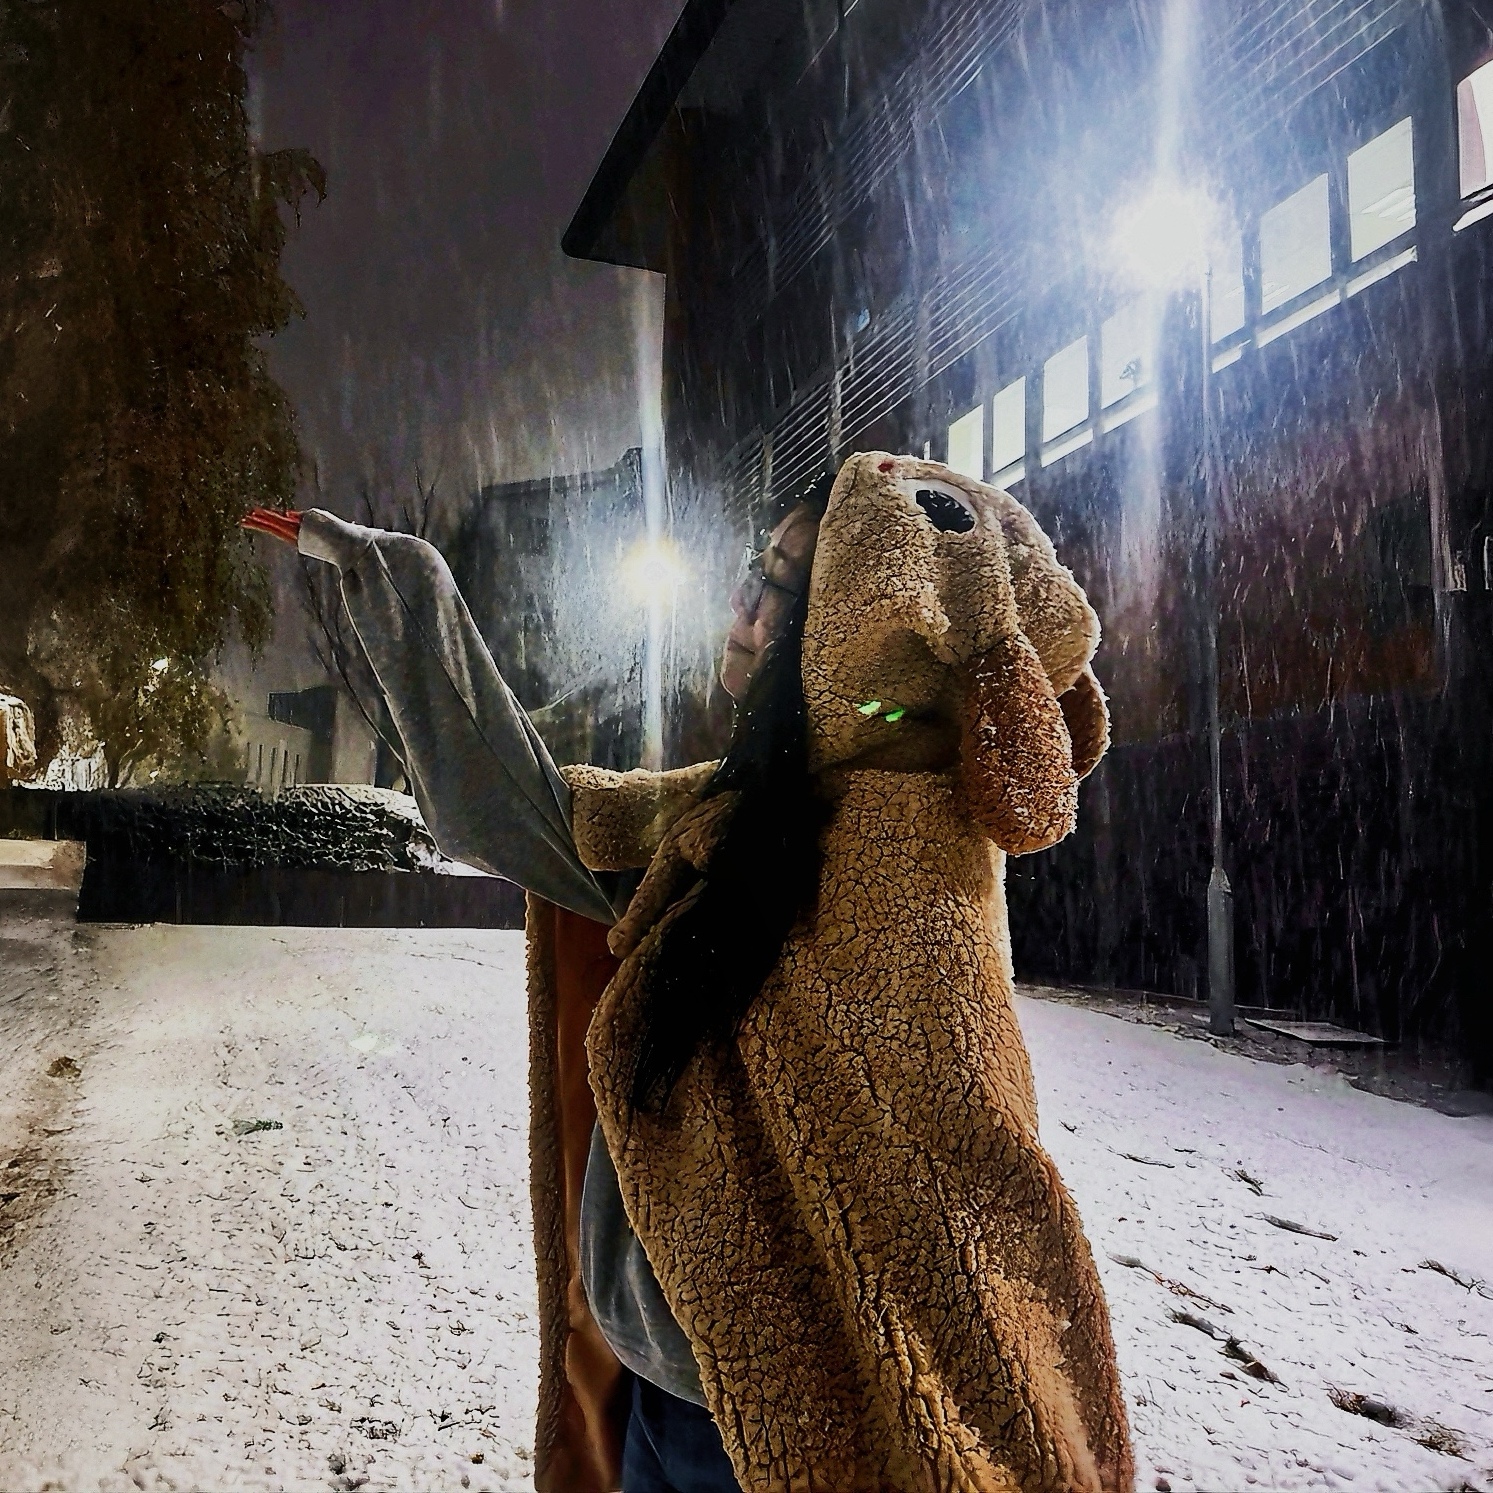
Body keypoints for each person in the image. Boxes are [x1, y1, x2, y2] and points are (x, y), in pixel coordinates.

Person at [244, 451, 1133, 1493]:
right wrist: (403, 583)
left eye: (784, 583)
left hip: (759, 1440)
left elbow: (955, 1187)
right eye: (754, 566)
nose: (743, 601)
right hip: (659, 1401)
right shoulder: (734, 810)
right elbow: (518, 805)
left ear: (863, 632)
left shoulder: (911, 871)